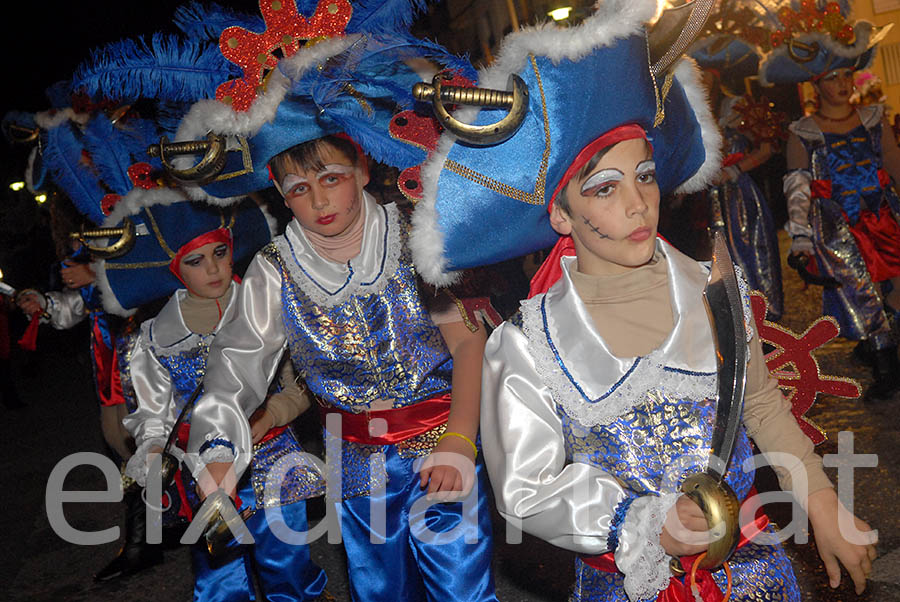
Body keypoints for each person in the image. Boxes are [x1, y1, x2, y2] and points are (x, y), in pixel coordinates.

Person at [407, 1, 877, 600]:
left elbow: (760, 406)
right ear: (561, 213)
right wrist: (645, 523)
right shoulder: (526, 347)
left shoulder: (713, 293)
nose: (637, 204)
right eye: (605, 188)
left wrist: (823, 503)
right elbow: (527, 489)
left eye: (646, 175)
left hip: (759, 579)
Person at [170, 4, 497, 599]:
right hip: (355, 466)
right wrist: (217, 446)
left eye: (330, 177)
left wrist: (460, 439)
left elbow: (469, 344)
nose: (319, 200)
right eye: (299, 187)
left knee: (461, 589)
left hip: (441, 445)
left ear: (362, 164)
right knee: (381, 592)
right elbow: (235, 364)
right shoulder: (274, 270)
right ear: (278, 192)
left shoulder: (414, 234)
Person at [119, 201, 326, 601]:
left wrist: (271, 415)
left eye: (219, 252)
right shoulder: (155, 337)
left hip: (271, 461)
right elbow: (153, 414)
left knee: (288, 569)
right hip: (203, 475)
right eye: (196, 260)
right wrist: (154, 447)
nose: (213, 269)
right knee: (219, 579)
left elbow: (299, 388)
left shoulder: (267, 307)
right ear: (176, 268)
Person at [760, 8, 900, 400]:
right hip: (839, 227)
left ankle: (882, 353)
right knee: (862, 293)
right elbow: (798, 188)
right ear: (815, 85)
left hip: (884, 217)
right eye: (831, 77)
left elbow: (893, 164)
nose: (842, 83)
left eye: (846, 74)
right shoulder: (803, 132)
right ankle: (885, 366)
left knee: (894, 291)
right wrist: (801, 238)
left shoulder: (874, 118)